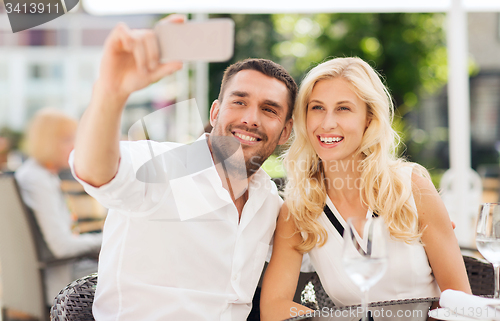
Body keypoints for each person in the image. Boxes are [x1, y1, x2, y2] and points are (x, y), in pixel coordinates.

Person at [70, 14, 295, 320]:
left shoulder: (269, 201)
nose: (251, 118)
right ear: (215, 112)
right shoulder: (167, 167)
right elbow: (97, 171)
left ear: (285, 132)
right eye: (239, 102)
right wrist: (111, 93)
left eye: (269, 109)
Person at [260, 57, 472, 320]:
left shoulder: (412, 187)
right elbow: (274, 306)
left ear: (369, 119)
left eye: (343, 109)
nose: (326, 123)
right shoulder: (299, 208)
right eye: (317, 108)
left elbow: (460, 300)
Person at [15, 108, 102, 305]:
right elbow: (62, 246)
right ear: (48, 142)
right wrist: (107, 239)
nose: (76, 145)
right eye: (67, 139)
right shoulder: (37, 180)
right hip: (60, 283)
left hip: (53, 275)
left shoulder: (34, 174)